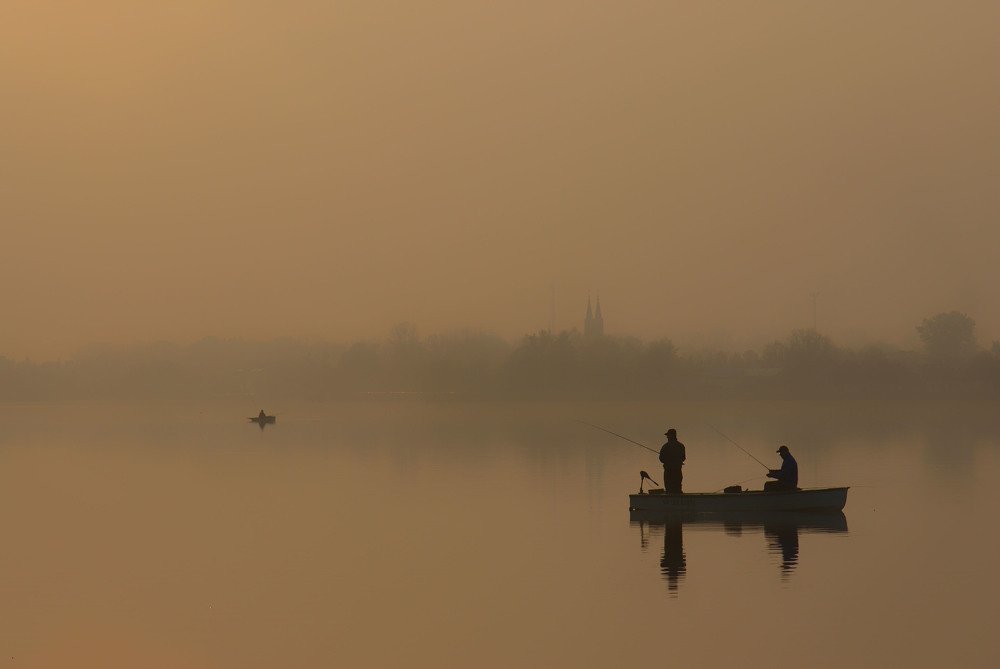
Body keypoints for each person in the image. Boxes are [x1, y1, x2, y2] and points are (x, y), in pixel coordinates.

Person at [658, 428, 686, 494]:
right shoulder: (681, 446)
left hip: (668, 471)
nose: (667, 437)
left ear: (672, 435)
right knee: (678, 488)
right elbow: (683, 458)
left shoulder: (665, 446)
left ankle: (669, 502)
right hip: (677, 470)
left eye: (668, 435)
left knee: (669, 488)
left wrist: (668, 460)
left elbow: (661, 459)